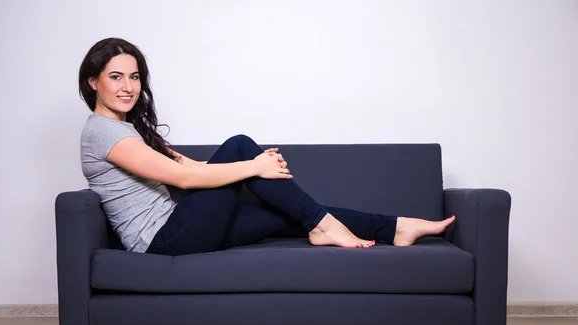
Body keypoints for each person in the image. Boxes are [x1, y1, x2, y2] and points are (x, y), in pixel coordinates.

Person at [78, 38, 456, 256]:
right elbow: (184, 178)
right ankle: (326, 226)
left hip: (181, 228)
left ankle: (396, 227)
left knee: (287, 213)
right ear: (94, 82)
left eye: (134, 76)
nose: (128, 86)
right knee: (241, 144)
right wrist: (253, 165)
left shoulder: (128, 129)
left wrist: (253, 166)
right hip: (162, 240)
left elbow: (193, 164)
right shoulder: (103, 132)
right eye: (115, 77)